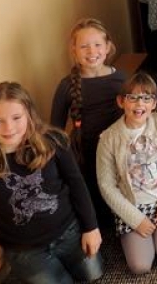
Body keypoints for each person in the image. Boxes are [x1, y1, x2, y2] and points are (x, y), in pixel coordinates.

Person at [0, 81, 103, 284]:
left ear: (29, 115)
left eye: (16, 118)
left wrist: (91, 227)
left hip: (69, 231)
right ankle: (14, 267)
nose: (9, 128)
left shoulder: (54, 141)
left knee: (93, 274)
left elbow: (77, 184)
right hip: (24, 250)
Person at [96, 72, 157, 275]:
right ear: (121, 101)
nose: (139, 104)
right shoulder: (108, 139)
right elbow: (106, 185)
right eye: (133, 97)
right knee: (140, 266)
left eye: (146, 98)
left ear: (154, 103)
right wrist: (136, 220)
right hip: (132, 206)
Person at [50, 18, 124, 223]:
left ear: (108, 47)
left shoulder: (121, 79)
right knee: (96, 211)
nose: (92, 51)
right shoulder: (66, 86)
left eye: (97, 44)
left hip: (119, 153)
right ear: (74, 50)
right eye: (84, 46)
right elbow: (54, 131)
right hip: (85, 156)